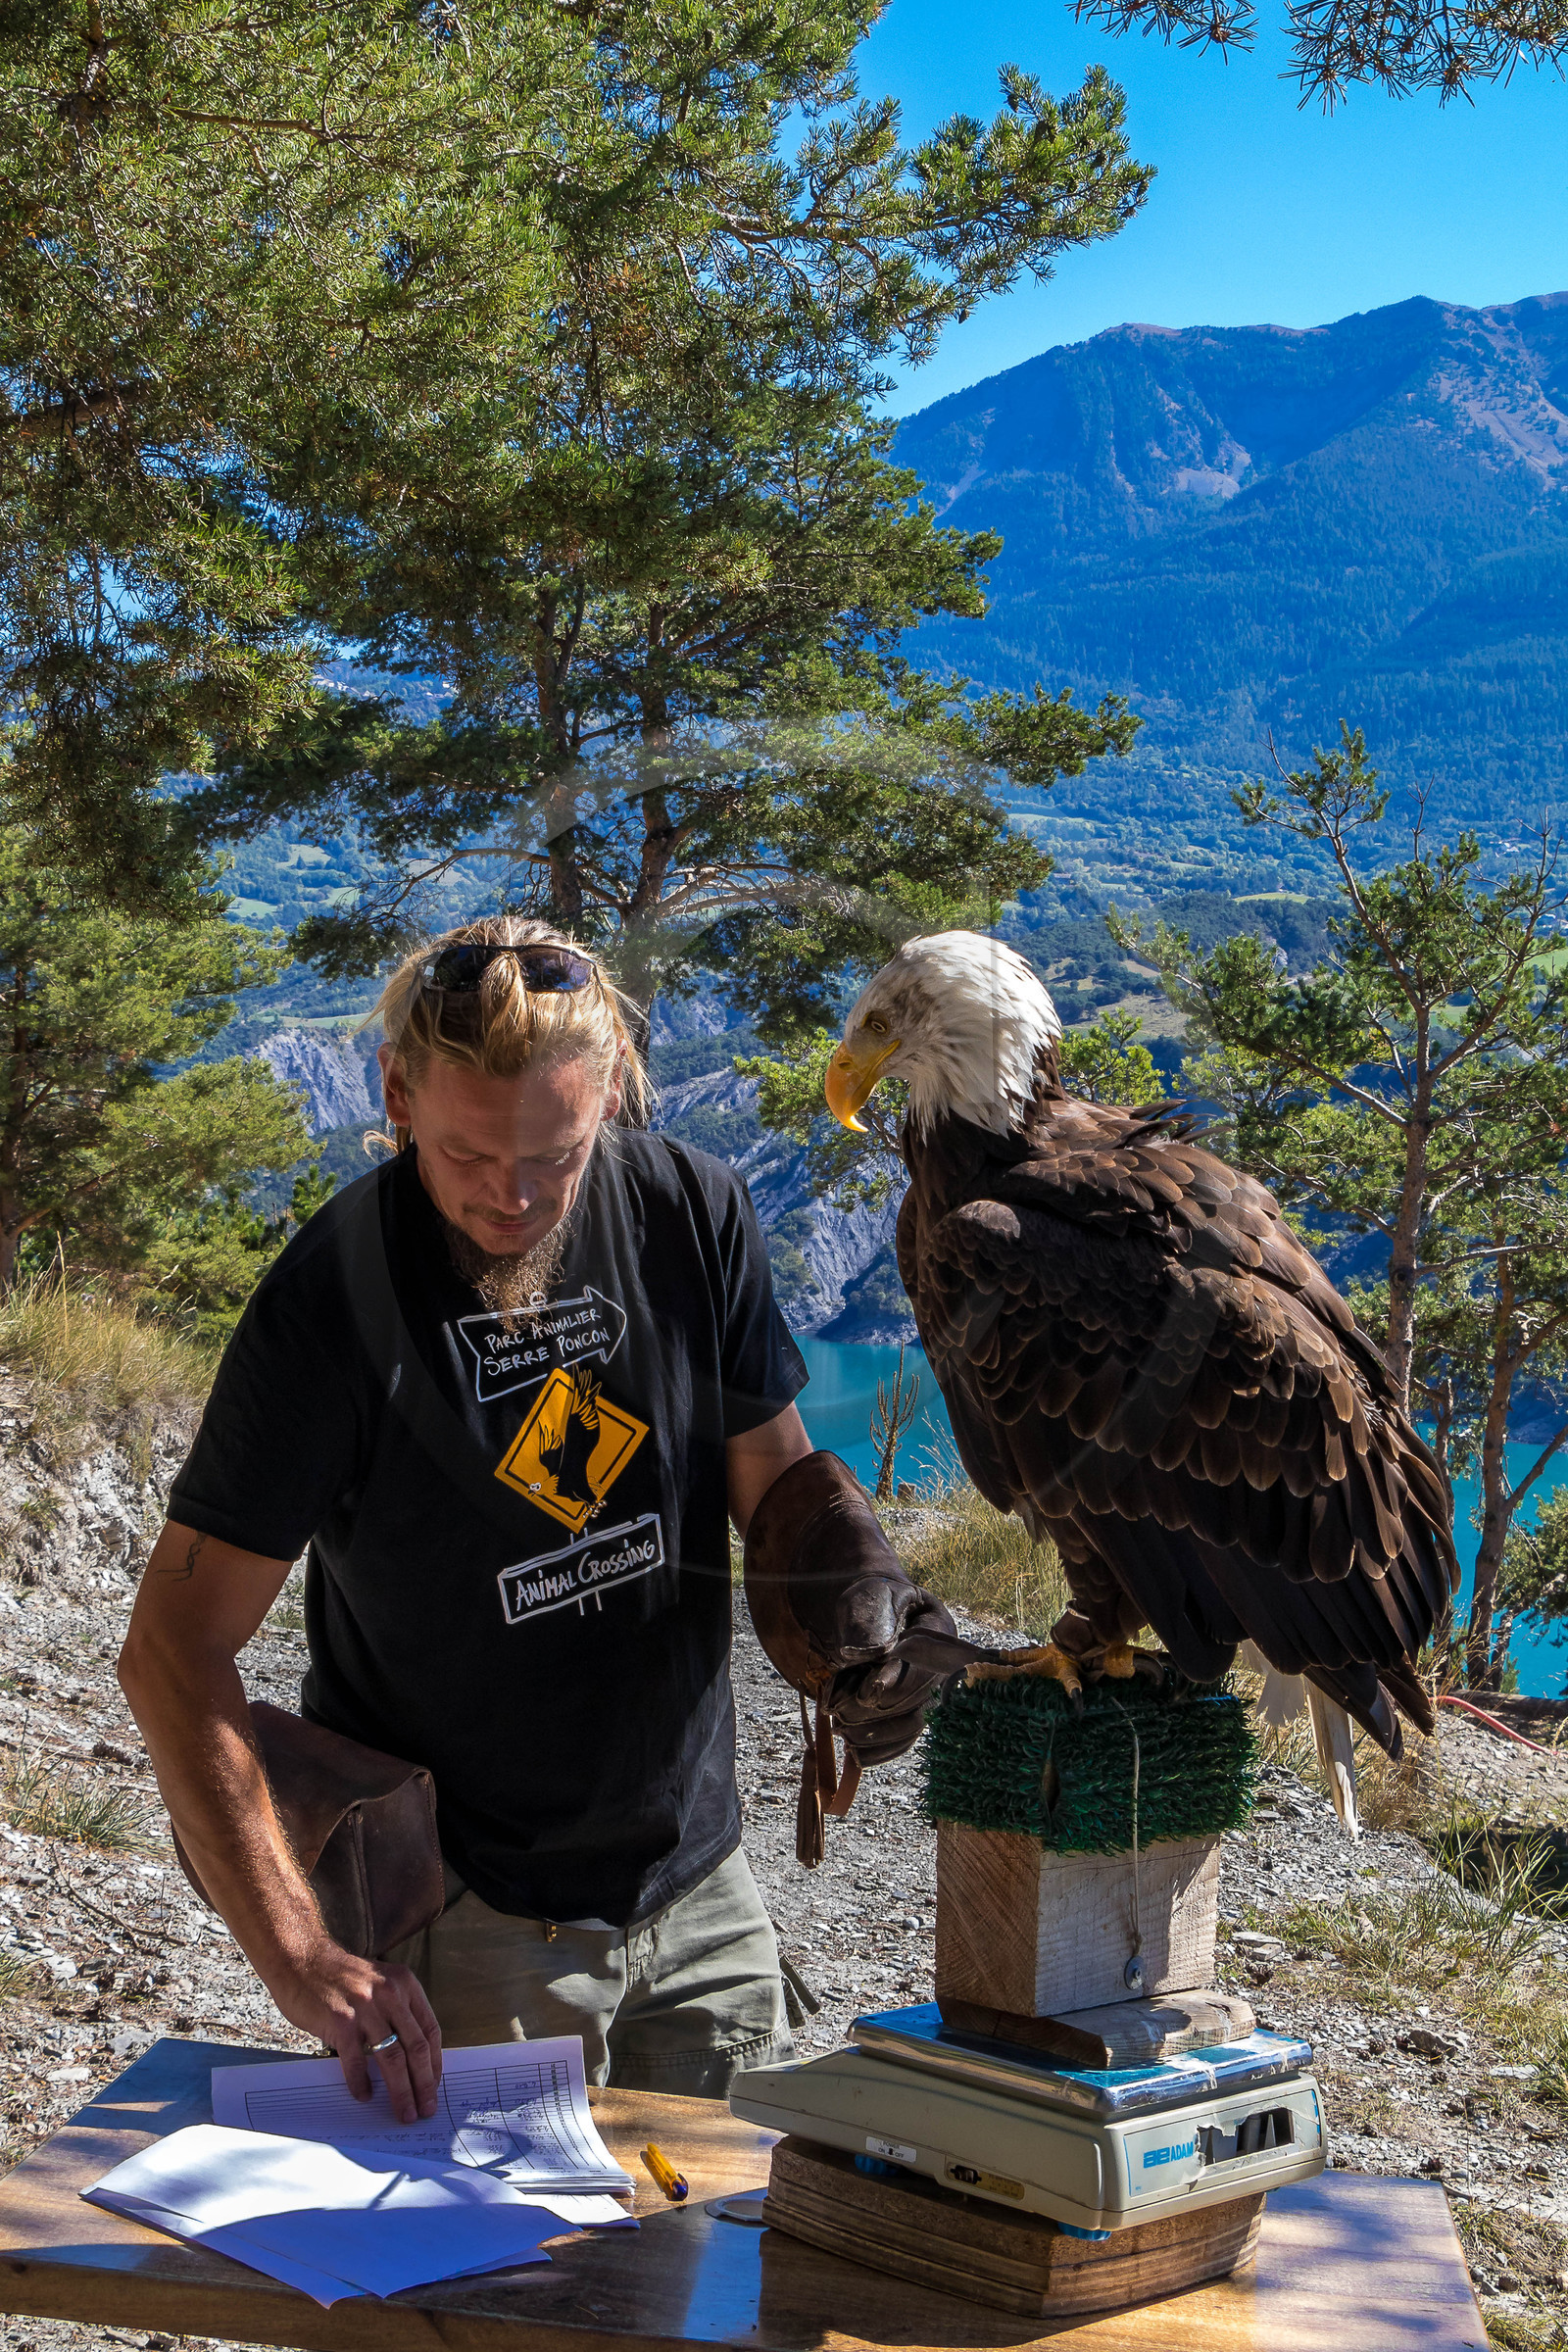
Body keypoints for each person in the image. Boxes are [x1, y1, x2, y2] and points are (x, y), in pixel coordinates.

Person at [118, 917, 817, 2131]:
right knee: (509, 2258)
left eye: (557, 1153)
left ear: (611, 1089)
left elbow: (776, 1481)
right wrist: (298, 1952)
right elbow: (173, 1650)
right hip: (472, 1919)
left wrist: (853, 1608)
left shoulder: (691, 1210)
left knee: (731, 2242)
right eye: (467, 1155)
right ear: (395, 1095)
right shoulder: (330, 1304)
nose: (514, 1195)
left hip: (702, 1890)